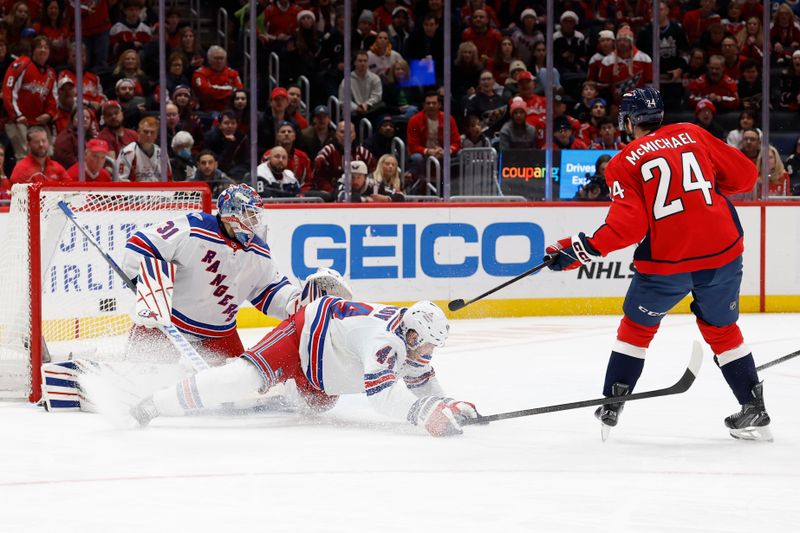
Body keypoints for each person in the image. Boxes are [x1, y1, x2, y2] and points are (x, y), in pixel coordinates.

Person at [544, 88, 771, 441]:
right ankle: (754, 405)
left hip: (669, 262)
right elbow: (744, 177)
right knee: (723, 330)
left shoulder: (623, 161)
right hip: (722, 253)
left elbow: (626, 227)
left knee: (636, 328)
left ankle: (613, 401)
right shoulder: (692, 133)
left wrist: (579, 250)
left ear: (629, 121)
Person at [129, 298, 478, 439]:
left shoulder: (412, 339)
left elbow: (422, 383)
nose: (430, 352)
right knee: (242, 378)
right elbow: (382, 398)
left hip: (325, 371)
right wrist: (424, 413)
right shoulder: (386, 343)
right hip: (301, 338)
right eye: (429, 343)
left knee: (318, 406)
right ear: (412, 334)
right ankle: (157, 402)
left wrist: (447, 404)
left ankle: (280, 387)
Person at [120, 184, 308, 361]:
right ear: (231, 214)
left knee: (239, 386)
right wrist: (148, 293)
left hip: (219, 335)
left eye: (256, 216)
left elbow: (270, 290)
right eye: (250, 215)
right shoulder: (194, 227)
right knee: (138, 375)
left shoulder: (259, 251)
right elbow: (142, 244)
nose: (255, 223)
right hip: (166, 326)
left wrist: (299, 302)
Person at [2, 35, 57, 159]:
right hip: (18, 121)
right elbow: (8, 91)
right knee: (25, 157)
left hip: (38, 122)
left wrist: (49, 114)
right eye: (39, 47)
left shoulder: (51, 73)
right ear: (32, 50)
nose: (43, 50)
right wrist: (17, 115)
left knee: (49, 155)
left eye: (46, 47)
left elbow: (52, 99)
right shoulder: (22, 64)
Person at [116, 117, 172, 182]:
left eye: (152, 132)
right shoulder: (128, 152)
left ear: (156, 135)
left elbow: (169, 180)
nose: (149, 135)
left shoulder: (162, 153)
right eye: (145, 132)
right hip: (136, 191)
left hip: (158, 191)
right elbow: (120, 180)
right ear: (138, 132)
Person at [191, 46, 244, 114]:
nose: (219, 61)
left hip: (230, 109)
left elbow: (239, 91)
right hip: (208, 110)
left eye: (222, 58)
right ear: (209, 60)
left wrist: (214, 89)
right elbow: (206, 91)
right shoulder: (200, 73)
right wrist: (230, 89)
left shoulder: (233, 73)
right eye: (216, 58)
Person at [337, 159, 404, 203]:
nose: (355, 180)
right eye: (352, 177)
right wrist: (364, 199)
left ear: (365, 177)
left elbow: (400, 196)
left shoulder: (375, 185)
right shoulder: (343, 184)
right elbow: (341, 197)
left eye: (359, 177)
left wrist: (387, 199)